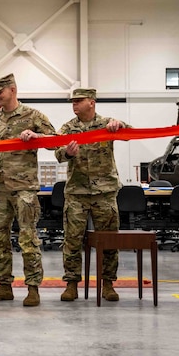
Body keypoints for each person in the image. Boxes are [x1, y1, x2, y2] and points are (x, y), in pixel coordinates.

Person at [0, 73, 56, 307]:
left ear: (12, 89)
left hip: (24, 189)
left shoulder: (33, 116)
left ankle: (33, 288)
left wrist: (36, 136)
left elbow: (56, 141)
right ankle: (4, 286)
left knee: (28, 238)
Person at [54, 88, 128, 302]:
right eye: (73, 101)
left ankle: (108, 284)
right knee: (72, 240)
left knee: (108, 240)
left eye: (79, 101)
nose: (74, 104)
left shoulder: (108, 124)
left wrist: (120, 125)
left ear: (91, 102)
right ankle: (71, 284)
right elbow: (57, 152)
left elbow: (130, 133)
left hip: (104, 192)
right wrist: (67, 153)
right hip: (77, 193)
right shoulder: (68, 128)